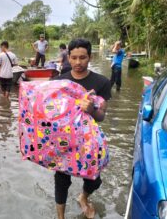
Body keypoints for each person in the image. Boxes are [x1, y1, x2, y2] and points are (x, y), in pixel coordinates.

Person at [53, 38, 111, 219]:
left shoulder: (101, 82)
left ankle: (83, 197)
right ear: (68, 58)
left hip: (89, 141)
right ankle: (60, 217)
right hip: (64, 140)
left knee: (94, 179)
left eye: (83, 58)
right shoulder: (59, 81)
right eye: (74, 57)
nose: (78, 62)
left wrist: (92, 109)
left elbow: (101, 116)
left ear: (90, 57)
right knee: (61, 180)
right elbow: (49, 113)